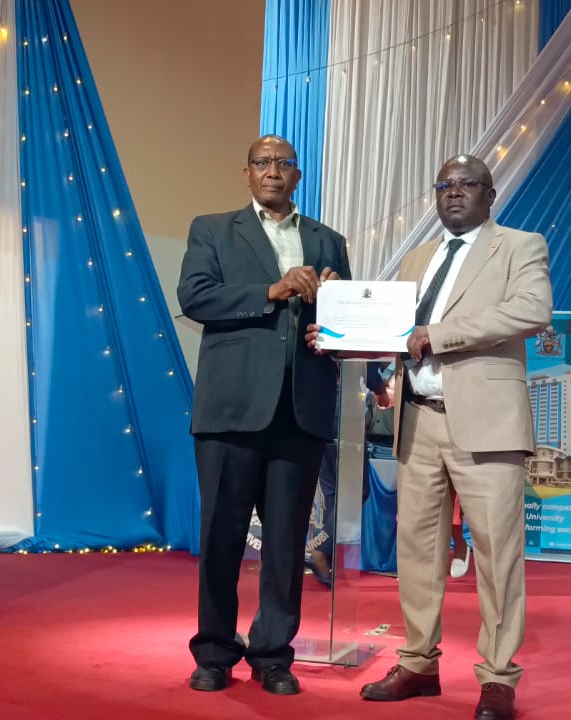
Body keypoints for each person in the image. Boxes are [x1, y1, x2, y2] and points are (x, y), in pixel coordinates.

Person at [312, 154, 549, 720]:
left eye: (467, 184)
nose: (453, 193)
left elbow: (532, 310)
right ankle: (418, 662)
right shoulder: (419, 257)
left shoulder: (519, 245)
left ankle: (497, 678)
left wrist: (436, 335)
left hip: (488, 422)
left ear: (490, 195)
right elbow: (396, 336)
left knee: (496, 556)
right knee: (416, 551)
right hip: (416, 419)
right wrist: (342, 335)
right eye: (444, 185)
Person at [177, 135, 352, 696]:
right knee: (222, 537)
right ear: (246, 174)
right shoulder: (212, 229)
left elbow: (348, 326)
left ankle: (274, 654)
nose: (273, 171)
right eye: (263, 163)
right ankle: (214, 651)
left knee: (285, 544)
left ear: (298, 176)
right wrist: (273, 290)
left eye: (284, 164)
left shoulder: (328, 240)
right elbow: (196, 297)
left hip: (300, 410)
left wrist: (333, 317)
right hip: (231, 409)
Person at [306, 362, 393, 588]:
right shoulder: (354, 329)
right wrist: (381, 389)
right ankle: (320, 550)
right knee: (357, 492)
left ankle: (325, 555)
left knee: (332, 492)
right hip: (344, 418)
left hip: (320, 414)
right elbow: (368, 367)